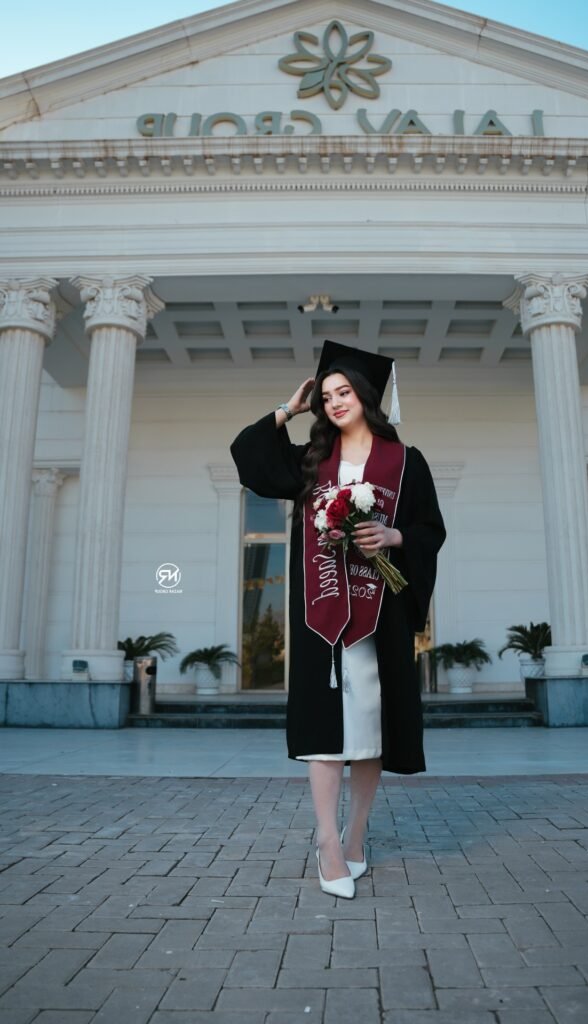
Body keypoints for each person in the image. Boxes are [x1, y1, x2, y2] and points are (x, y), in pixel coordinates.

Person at [230, 340, 446, 899]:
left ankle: (355, 835)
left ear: (366, 396)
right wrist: (288, 409)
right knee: (326, 730)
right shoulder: (309, 461)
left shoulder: (406, 462)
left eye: (343, 391)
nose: (334, 402)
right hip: (321, 619)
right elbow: (250, 456)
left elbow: (430, 531)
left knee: (371, 728)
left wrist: (393, 536)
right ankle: (326, 842)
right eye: (325, 396)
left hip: (381, 617)